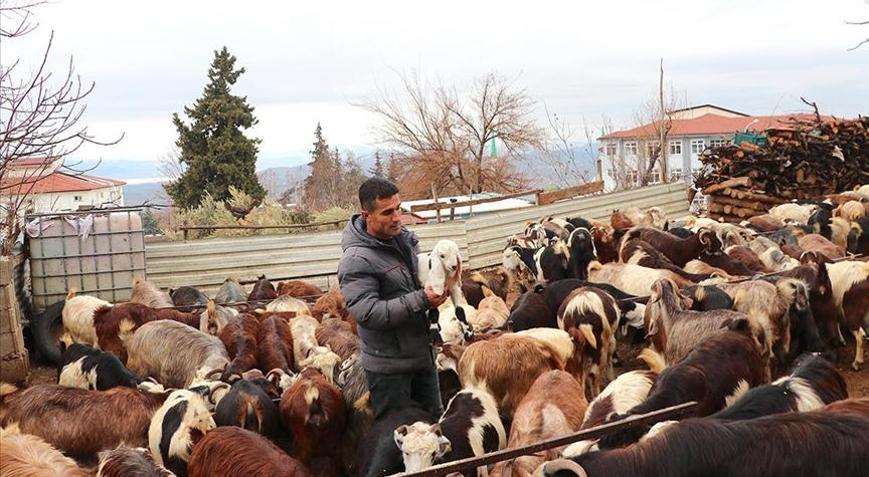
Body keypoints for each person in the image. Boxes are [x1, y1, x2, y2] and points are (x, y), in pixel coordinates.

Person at [337, 177, 448, 419]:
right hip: (390, 372)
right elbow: (368, 313)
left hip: (422, 359)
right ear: (366, 214)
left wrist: (439, 283)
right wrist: (422, 300)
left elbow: (413, 285)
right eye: (387, 212)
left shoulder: (403, 241)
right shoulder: (356, 259)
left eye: (398, 208)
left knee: (433, 432)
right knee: (399, 440)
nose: (397, 217)